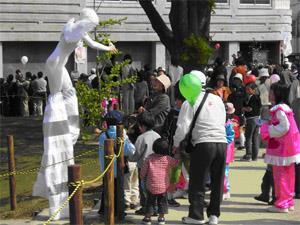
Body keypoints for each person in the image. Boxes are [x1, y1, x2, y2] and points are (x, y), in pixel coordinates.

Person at [33, 8, 117, 220]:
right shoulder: (77, 29)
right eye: (92, 26)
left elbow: (90, 42)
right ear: (87, 22)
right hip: (54, 66)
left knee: (69, 93)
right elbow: (85, 40)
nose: (92, 29)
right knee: (57, 98)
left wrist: (107, 48)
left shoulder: (76, 26)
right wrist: (105, 47)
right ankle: (60, 129)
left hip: (58, 65)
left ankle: (69, 129)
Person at [174, 73, 227, 225]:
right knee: (217, 181)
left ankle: (196, 216)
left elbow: (183, 127)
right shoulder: (217, 98)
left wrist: (176, 144)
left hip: (203, 143)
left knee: (198, 180)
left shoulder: (189, 101)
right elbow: (223, 120)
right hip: (222, 142)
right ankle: (214, 216)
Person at [260, 83, 300, 213]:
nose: (270, 94)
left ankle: (282, 203)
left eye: (272, 92)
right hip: (289, 147)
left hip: (281, 148)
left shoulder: (279, 109)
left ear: (277, 94)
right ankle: (288, 201)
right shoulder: (285, 108)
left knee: (280, 176)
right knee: (289, 175)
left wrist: (267, 129)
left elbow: (284, 127)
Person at [98, 111, 136, 216]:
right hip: (119, 168)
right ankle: (118, 211)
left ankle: (104, 210)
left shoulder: (102, 136)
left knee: (106, 189)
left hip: (106, 168)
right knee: (119, 190)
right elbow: (130, 150)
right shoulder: (122, 133)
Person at [140, 138, 179, 225]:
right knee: (162, 203)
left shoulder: (149, 158)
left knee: (150, 202)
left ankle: (147, 218)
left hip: (151, 186)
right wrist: (176, 153)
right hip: (163, 186)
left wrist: (142, 177)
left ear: (154, 148)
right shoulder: (168, 159)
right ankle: (161, 218)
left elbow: (143, 171)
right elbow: (176, 163)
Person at [129, 111, 160, 215]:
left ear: (142, 126)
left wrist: (129, 158)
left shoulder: (141, 138)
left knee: (144, 188)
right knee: (154, 187)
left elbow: (137, 154)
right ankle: (154, 207)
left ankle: (146, 207)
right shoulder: (157, 135)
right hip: (157, 166)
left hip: (144, 167)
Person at [241, 82, 262, 161]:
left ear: (253, 90)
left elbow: (250, 109)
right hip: (257, 119)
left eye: (248, 89)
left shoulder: (253, 98)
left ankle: (248, 155)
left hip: (251, 119)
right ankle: (255, 156)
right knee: (255, 138)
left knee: (248, 137)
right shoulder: (258, 97)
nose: (246, 91)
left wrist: (243, 108)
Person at [223, 103, 235, 200]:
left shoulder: (229, 123)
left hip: (226, 150)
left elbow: (230, 137)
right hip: (222, 148)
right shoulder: (225, 122)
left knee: (224, 171)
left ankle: (226, 190)